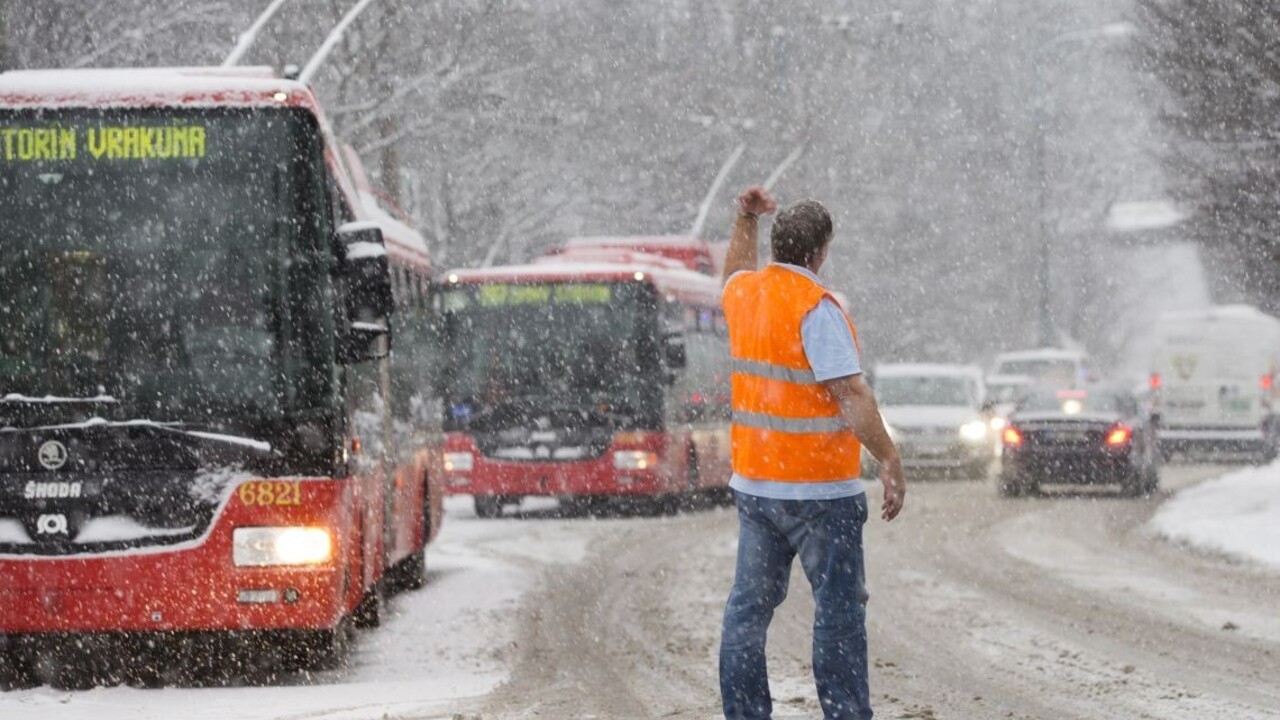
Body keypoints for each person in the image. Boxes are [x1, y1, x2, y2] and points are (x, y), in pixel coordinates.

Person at [718, 186, 906, 720]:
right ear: (821, 251)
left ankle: (745, 714)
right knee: (838, 613)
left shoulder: (746, 295)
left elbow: (734, 271)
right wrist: (889, 459)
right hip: (821, 492)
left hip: (756, 486)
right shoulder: (816, 308)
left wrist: (745, 218)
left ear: (777, 246)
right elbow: (852, 395)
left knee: (747, 612)